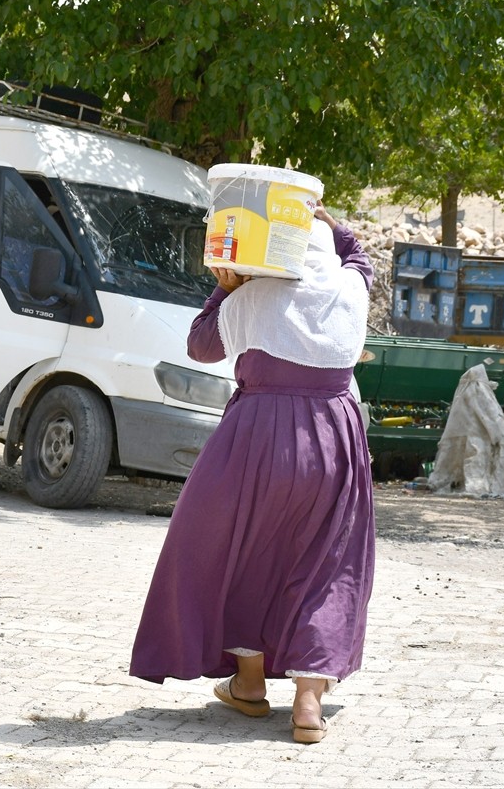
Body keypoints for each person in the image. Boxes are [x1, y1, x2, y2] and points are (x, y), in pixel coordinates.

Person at [129, 202, 375, 745]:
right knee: (325, 564)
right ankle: (306, 705)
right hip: (335, 434)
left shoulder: (253, 297)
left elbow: (199, 343)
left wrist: (227, 285)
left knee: (240, 552)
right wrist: (333, 224)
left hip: (258, 434)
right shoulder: (348, 290)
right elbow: (360, 258)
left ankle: (249, 682)